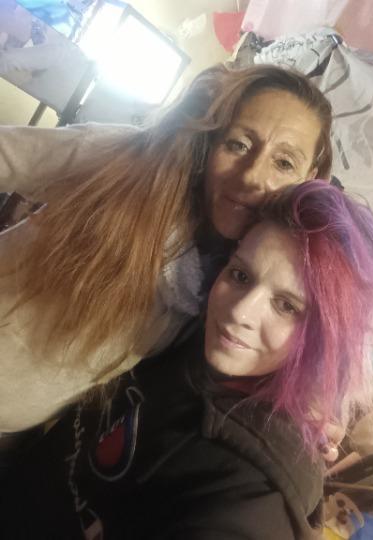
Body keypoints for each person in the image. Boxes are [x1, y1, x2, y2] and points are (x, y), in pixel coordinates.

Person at [0, 182, 373, 539]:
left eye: (286, 306)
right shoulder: (192, 332)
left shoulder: (253, 490)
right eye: (241, 275)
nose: (239, 312)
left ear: (323, 339)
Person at [0, 64, 333, 438]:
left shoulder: (241, 287)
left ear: (308, 178)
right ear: (212, 141)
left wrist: (310, 416)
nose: (252, 175)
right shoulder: (127, 165)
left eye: (284, 163)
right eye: (238, 145)